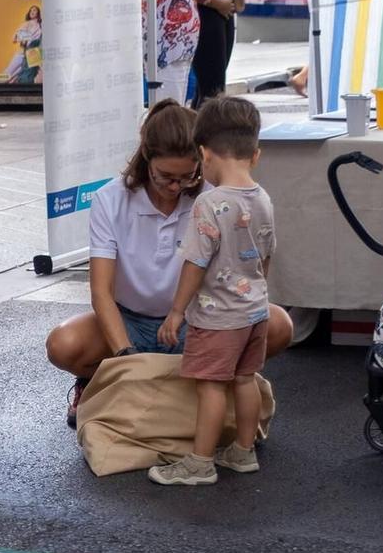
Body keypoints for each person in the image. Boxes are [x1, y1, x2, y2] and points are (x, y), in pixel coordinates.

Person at [45, 99, 294, 426]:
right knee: (63, 344)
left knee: (277, 325)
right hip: (129, 321)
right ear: (146, 158)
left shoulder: (214, 195)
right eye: (166, 177)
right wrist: (124, 356)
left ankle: (210, 381)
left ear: (202, 160)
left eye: (186, 177)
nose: (176, 187)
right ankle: (96, 380)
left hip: (199, 319)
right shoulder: (111, 199)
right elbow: (101, 292)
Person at [146, 98, 277, 486]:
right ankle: (243, 451)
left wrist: (176, 311)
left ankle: (200, 462)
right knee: (246, 378)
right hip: (256, 310)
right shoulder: (263, 198)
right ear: (255, 154)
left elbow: (195, 263)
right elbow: (266, 255)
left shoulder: (211, 202)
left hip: (218, 316)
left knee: (211, 386)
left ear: (203, 153)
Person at [4, 4, 43, 84]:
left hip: (34, 53)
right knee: (8, 74)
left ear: (38, 13)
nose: (32, 11)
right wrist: (25, 38)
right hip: (23, 53)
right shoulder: (27, 23)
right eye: (31, 10)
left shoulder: (41, 25)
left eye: (35, 10)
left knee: (28, 76)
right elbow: (14, 38)